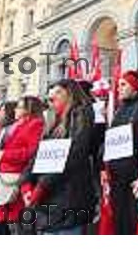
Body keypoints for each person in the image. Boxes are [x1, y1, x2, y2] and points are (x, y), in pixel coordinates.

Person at [20, 79, 97, 234]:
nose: (50, 102)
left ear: (68, 94)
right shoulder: (54, 122)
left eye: (54, 96)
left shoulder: (81, 114)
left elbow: (74, 153)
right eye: (48, 99)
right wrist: (26, 181)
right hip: (51, 197)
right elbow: (39, 154)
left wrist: (42, 185)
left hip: (69, 195)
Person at [0, 97, 43, 234]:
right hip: (4, 174)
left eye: (20, 107)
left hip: (17, 176)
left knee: (18, 223)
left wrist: (5, 155)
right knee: (6, 220)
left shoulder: (35, 124)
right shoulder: (17, 125)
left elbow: (32, 152)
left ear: (29, 110)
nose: (16, 110)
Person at [106, 70, 138, 234]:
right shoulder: (120, 109)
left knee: (131, 221)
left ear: (135, 87)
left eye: (123, 85)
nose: (119, 88)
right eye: (118, 85)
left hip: (131, 176)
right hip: (117, 176)